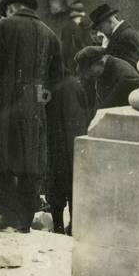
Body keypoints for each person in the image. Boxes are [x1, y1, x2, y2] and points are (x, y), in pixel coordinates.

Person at [0, 0, 60, 233]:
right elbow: (57, 78)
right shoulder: (50, 34)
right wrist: (40, 98)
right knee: (30, 165)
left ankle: (11, 213)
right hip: (35, 108)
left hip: (5, 105)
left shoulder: (4, 26)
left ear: (11, 8)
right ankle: (24, 219)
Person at [45, 72, 91, 235]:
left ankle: (60, 228)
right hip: (73, 146)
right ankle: (72, 227)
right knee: (71, 187)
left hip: (60, 146)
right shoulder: (75, 85)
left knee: (57, 187)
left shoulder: (54, 86)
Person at [75, 44, 139, 112]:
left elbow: (106, 109)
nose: (88, 76)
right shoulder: (104, 70)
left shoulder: (125, 79)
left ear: (101, 63)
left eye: (89, 71)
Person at [89, 3, 139, 69]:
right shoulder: (121, 34)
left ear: (109, 21)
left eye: (100, 28)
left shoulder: (125, 36)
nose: (99, 33)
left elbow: (130, 67)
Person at [57, 2, 95, 76]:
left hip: (72, 60)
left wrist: (64, 63)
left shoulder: (68, 27)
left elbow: (65, 48)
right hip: (87, 60)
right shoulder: (89, 25)